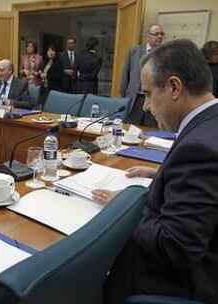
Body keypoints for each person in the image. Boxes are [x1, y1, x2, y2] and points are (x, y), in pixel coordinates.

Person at [92, 39, 218, 304]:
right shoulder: (210, 123)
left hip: (178, 283)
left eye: (148, 94)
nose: (146, 106)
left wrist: (125, 205)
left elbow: (176, 247)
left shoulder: (198, 151)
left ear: (174, 87)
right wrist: (163, 176)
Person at [121, 23, 165, 127]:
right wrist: (125, 97)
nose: (159, 36)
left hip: (153, 100)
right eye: (156, 34)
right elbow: (125, 76)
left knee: (150, 131)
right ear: (148, 37)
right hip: (135, 99)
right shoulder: (135, 51)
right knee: (130, 130)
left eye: (162, 34)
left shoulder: (165, 54)